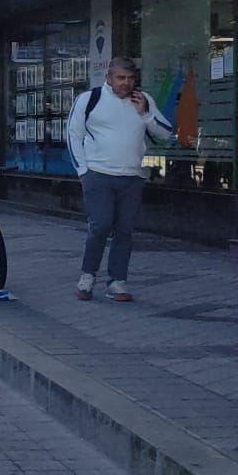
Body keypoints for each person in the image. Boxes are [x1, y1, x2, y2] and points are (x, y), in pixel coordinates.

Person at [66, 57, 174, 302]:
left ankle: (117, 281)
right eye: (121, 78)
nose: (126, 83)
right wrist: (83, 171)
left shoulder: (143, 100)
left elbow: (166, 133)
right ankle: (88, 276)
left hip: (132, 177)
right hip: (98, 175)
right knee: (101, 225)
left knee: (124, 231)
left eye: (130, 78)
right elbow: (74, 135)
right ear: (109, 78)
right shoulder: (89, 99)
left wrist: (145, 114)